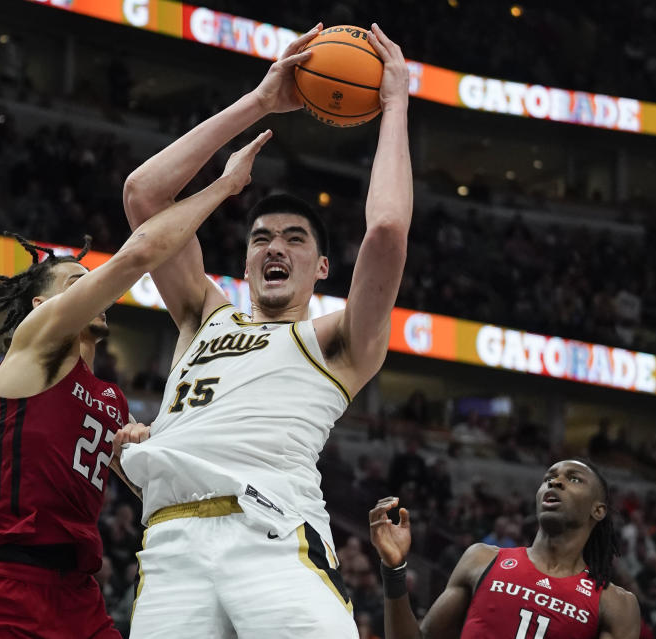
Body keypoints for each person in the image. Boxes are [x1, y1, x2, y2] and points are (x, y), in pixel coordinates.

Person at [121, 22, 412, 638]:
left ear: (322, 267)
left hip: (273, 535)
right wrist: (259, 101)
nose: (274, 247)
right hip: (170, 545)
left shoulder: (338, 340)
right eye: (260, 239)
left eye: (294, 239)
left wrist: (395, 105)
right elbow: (144, 197)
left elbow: (385, 230)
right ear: (248, 261)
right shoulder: (204, 312)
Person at [0, 132, 270, 639]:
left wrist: (143, 454)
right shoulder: (37, 344)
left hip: (78, 593)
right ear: (42, 307)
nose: (93, 288)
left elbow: (147, 486)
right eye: (76, 283)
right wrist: (223, 187)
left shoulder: (111, 399)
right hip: (9, 581)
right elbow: (136, 257)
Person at [369, 459, 641, 638]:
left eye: (574, 479)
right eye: (549, 477)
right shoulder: (482, 559)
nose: (555, 482)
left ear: (598, 510)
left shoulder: (616, 604)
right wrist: (394, 570)